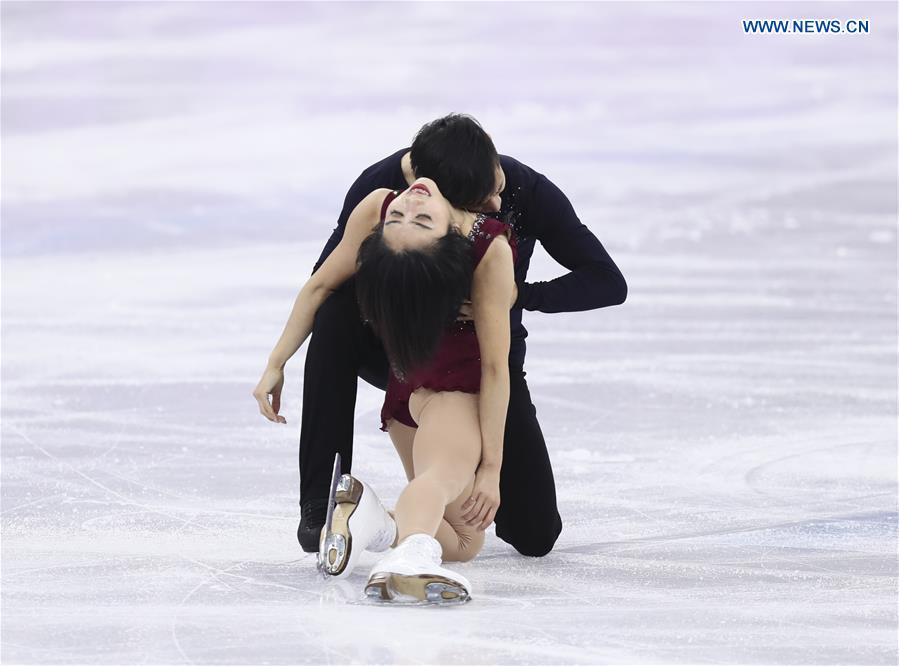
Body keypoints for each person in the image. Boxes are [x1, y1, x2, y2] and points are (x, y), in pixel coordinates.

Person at [265, 114, 627, 560]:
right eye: (487, 195)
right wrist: (276, 361)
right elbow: (326, 282)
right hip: (403, 355)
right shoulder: (385, 196)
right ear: (430, 189)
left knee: (530, 534)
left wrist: (518, 295)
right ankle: (323, 502)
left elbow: (608, 282)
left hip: (487, 362)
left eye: (498, 184)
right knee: (337, 314)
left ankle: (378, 523)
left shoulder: (520, 190)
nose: (498, 199)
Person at [255, 175, 517, 603]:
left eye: (408, 216)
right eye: (403, 217)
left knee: (465, 543)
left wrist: (275, 362)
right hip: (455, 389)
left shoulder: (386, 216)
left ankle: (376, 522)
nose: (408, 206)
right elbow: (493, 368)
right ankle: (410, 556)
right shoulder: (485, 246)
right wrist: (491, 470)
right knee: (439, 480)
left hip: (404, 394)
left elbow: (323, 284)